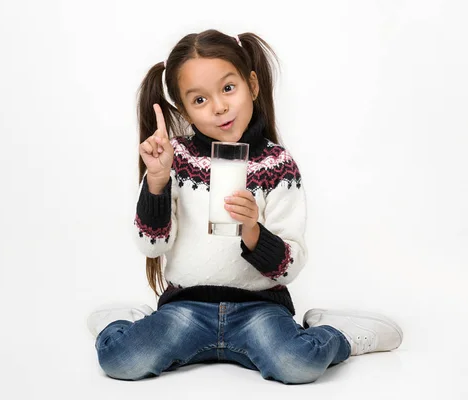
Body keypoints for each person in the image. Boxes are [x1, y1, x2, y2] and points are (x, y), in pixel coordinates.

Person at [86, 29, 403, 384]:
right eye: (200, 100)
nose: (219, 107)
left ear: (251, 85)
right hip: (186, 309)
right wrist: (157, 181)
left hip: (258, 310)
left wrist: (253, 230)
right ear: (184, 110)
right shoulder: (175, 160)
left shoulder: (277, 165)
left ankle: (338, 334)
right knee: (120, 359)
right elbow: (151, 244)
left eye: (227, 88)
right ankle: (126, 323)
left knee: (299, 363)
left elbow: (289, 265)